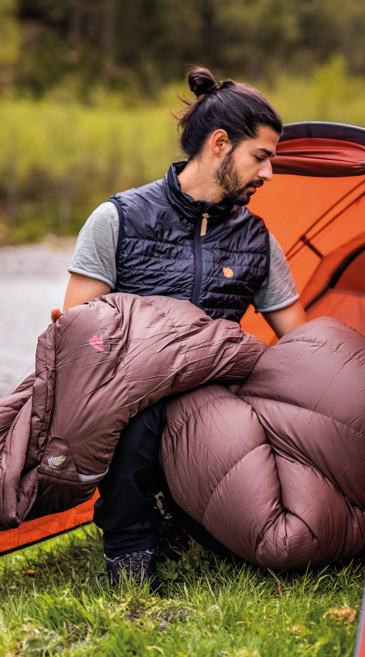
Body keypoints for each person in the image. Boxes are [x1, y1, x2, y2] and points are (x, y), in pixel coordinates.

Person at [50, 66, 306, 586]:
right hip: (131, 397)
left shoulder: (257, 240)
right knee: (138, 416)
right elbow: (82, 336)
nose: (268, 174)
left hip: (213, 399)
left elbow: (299, 342)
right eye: (261, 156)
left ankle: (193, 522)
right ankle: (129, 550)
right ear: (219, 144)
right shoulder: (118, 218)